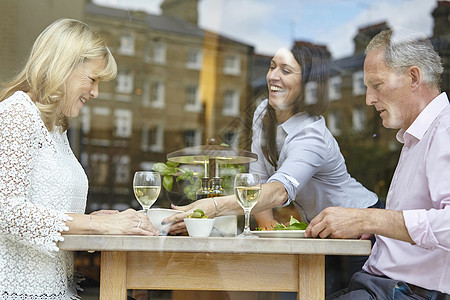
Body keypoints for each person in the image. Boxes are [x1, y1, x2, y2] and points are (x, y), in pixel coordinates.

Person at [166, 44, 382, 295]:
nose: (273, 76)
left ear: (308, 86)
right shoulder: (263, 114)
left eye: (286, 70)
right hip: (321, 232)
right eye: (272, 67)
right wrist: (265, 235)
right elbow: (257, 183)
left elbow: (278, 192)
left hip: (360, 231)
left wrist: (212, 208)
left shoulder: (312, 136)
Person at [0, 18, 158, 299]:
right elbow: (8, 212)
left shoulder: (55, 127)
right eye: (92, 79)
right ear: (64, 66)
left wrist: (93, 219)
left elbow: (49, 209)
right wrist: (98, 225)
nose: (96, 92)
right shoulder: (17, 113)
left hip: (56, 289)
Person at [305, 29, 449, 299]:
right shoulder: (418, 136)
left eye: (377, 85)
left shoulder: (445, 130)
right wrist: (374, 227)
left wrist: (366, 217)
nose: (368, 99)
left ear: (413, 77)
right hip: (381, 285)